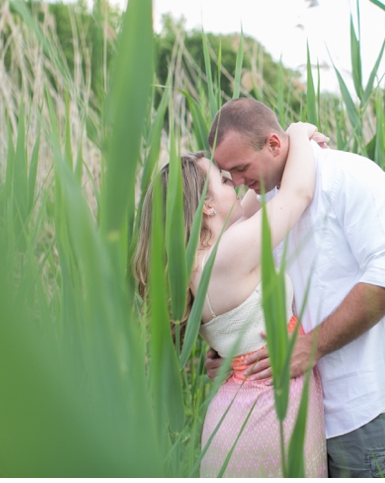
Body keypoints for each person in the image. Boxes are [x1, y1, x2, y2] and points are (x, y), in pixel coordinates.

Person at [206, 98, 385, 478]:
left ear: (274, 145)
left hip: (364, 407)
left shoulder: (352, 176)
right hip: (298, 415)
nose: (240, 182)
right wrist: (230, 351)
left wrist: (310, 347)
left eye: (243, 168)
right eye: (230, 175)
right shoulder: (267, 201)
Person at [131, 122, 328, 478]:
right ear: (207, 206)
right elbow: (297, 193)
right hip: (267, 411)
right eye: (225, 181)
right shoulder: (226, 255)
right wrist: (297, 134)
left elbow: (262, 189)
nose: (237, 184)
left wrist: (274, 153)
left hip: (244, 406)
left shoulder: (199, 262)